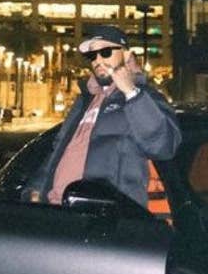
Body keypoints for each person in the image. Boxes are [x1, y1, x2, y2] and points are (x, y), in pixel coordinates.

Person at [23, 25, 181, 208]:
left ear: (127, 55)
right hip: (60, 210)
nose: (98, 60)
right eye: (92, 55)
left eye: (105, 52)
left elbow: (163, 146)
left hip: (106, 214)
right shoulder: (85, 100)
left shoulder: (145, 97)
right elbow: (58, 148)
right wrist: (37, 189)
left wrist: (131, 92)